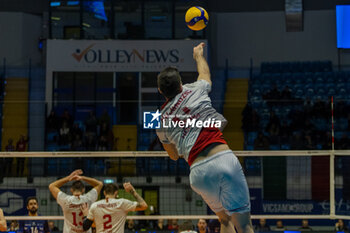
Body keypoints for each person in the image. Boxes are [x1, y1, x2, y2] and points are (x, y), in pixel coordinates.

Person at [156, 43, 253, 233]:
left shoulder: (160, 120)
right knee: (243, 224)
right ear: (181, 83)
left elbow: (174, 156)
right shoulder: (195, 89)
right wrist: (198, 56)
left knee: (224, 220)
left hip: (198, 173)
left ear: (161, 91)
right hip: (223, 160)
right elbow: (205, 75)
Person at [81, 182, 148, 233]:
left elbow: (85, 227)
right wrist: (132, 191)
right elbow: (144, 206)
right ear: (116, 193)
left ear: (104, 193)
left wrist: (85, 215)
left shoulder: (95, 205)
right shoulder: (122, 203)